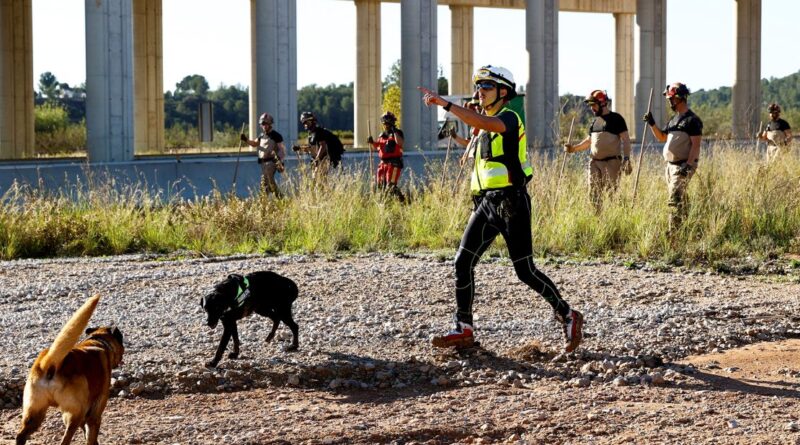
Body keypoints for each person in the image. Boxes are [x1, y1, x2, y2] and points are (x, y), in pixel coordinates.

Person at [418, 65, 584, 353]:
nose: (479, 92)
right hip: (486, 204)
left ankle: (568, 315)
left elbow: (488, 124)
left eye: (486, 87)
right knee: (462, 262)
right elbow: (479, 139)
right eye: (478, 87)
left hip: (512, 203)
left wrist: (445, 104)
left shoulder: (509, 117)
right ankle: (464, 328)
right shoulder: (482, 126)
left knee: (525, 271)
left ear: (503, 92)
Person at [643, 82, 703, 233]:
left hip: (683, 165)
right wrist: (652, 123)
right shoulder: (673, 120)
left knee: (674, 198)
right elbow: (662, 137)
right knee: (680, 197)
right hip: (670, 166)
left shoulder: (692, 120)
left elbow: (696, 146)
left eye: (672, 98)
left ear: (681, 98)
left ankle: (673, 233)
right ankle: (691, 226)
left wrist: (688, 165)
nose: (669, 101)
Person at [564, 90, 632, 210]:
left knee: (612, 195)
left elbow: (626, 140)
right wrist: (573, 149)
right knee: (593, 194)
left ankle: (612, 220)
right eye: (590, 105)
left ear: (602, 103)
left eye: (594, 105)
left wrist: (626, 159)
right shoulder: (594, 122)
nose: (592, 108)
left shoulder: (616, 119)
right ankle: (597, 220)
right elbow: (589, 141)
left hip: (612, 163)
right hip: (594, 163)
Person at [241, 112, 286, 196]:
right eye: (262, 124)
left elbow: (282, 150)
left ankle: (280, 197)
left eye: (265, 124)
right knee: (265, 184)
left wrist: (280, 161)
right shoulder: (261, 135)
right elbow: (254, 143)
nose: (264, 126)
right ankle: (265, 201)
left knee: (268, 180)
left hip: (272, 162)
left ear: (270, 124)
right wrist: (245, 139)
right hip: (263, 163)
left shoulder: (276, 136)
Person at [367, 111, 406, 201]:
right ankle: (385, 204)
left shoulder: (398, 133)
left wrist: (394, 130)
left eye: (387, 123)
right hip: (383, 164)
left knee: (391, 185)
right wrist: (371, 142)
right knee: (380, 185)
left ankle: (402, 202)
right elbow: (377, 147)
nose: (385, 125)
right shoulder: (382, 135)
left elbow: (400, 143)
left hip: (394, 163)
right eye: (384, 123)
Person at [293, 111, 345, 178]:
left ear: (312, 121)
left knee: (318, 179)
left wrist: (317, 159)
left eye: (306, 122)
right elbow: (311, 148)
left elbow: (323, 146)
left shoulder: (319, 132)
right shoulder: (311, 134)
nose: (304, 124)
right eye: (303, 122)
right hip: (317, 160)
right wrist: (299, 148)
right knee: (318, 181)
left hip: (324, 159)